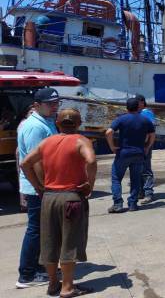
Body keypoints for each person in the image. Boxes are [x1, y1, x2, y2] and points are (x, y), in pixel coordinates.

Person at [19, 109, 97, 298]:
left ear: (57, 123)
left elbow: (25, 164)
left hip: (49, 197)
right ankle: (68, 287)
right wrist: (89, 184)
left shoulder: (47, 142)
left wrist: (38, 186)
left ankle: (53, 284)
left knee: (50, 241)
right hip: (71, 198)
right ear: (79, 123)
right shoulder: (81, 140)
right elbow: (91, 160)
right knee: (69, 243)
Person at [15, 88, 59, 289]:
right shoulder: (35, 127)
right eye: (50, 103)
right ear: (36, 105)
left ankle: (41, 267)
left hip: (43, 186)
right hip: (39, 188)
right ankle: (27, 274)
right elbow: (35, 162)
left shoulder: (46, 121)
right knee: (35, 230)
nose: (54, 106)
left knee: (43, 230)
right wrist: (43, 187)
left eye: (56, 102)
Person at [105, 98, 156, 213]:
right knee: (136, 179)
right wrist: (147, 147)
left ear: (126, 108)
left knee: (116, 178)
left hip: (124, 153)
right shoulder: (145, 120)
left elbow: (108, 132)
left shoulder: (122, 119)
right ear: (139, 107)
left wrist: (112, 147)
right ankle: (133, 203)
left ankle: (118, 204)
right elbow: (152, 135)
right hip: (139, 153)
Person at [135, 95, 157, 204]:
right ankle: (141, 191)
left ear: (142, 102)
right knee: (138, 168)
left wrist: (147, 145)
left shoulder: (146, 113)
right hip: (138, 145)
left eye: (137, 102)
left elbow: (150, 131)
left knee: (146, 168)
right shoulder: (138, 114)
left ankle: (148, 193)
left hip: (145, 145)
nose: (135, 104)